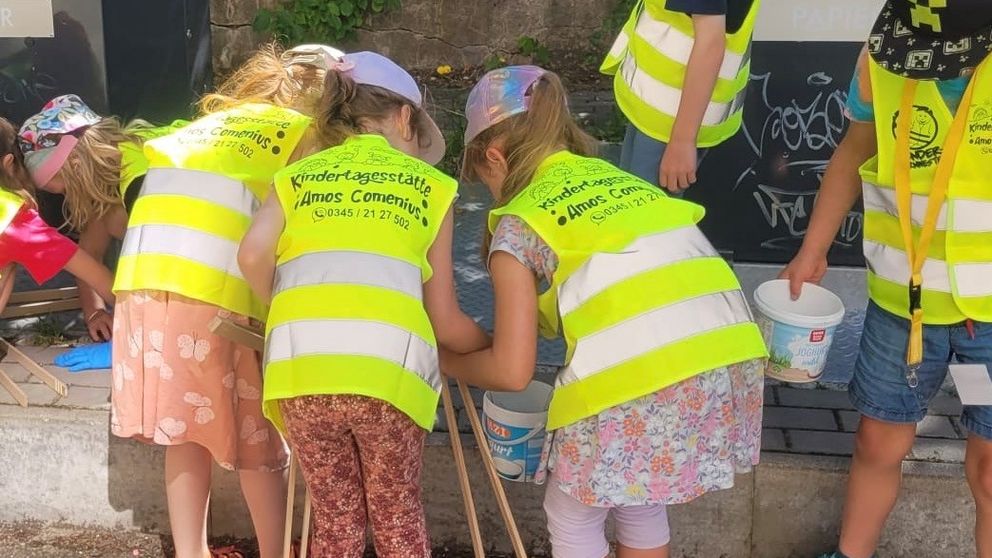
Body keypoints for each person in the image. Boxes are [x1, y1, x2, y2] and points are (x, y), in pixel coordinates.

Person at [443, 65, 768, 558]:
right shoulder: (620, 181)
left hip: (638, 374)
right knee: (639, 496)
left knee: (572, 512)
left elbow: (511, 372)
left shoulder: (520, 222)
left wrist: (444, 361)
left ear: (494, 156)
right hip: (727, 354)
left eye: (483, 178)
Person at [50, 43, 342, 558]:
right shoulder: (303, 136)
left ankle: (192, 552)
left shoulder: (204, 128)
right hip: (213, 295)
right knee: (258, 439)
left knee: (184, 433)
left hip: (141, 291)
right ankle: (276, 552)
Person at [239, 51, 490, 558]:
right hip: (386, 374)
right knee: (396, 513)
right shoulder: (432, 187)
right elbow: (443, 319)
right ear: (404, 118)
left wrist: (284, 307)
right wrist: (489, 345)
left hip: (301, 370)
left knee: (335, 519)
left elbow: (251, 255)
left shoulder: (296, 177)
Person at [779, 2, 992, 557]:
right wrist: (813, 249)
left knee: (991, 468)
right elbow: (855, 149)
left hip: (988, 318)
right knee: (877, 441)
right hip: (903, 305)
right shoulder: (886, 53)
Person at [18, 94, 184, 343]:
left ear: (76, 165)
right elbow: (89, 257)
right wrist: (95, 312)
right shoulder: (108, 177)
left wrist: (141, 328)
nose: (66, 197)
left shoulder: (140, 178)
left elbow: (164, 266)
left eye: (65, 188)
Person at [601, 0, 759, 193]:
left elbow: (710, 44)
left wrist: (682, 141)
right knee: (634, 199)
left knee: (646, 206)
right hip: (660, 113)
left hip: (671, 122)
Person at [0, 116, 114, 316]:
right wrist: (138, 316)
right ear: (9, 163)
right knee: (8, 265)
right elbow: (95, 274)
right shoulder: (16, 219)